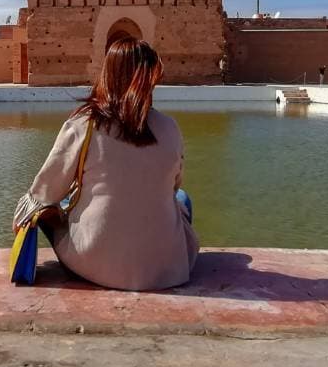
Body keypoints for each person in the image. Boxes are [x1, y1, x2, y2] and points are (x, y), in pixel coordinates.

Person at [13, 38, 198, 291]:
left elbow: (44, 192)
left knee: (53, 209)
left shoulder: (85, 124)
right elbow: (175, 186)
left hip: (94, 266)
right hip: (166, 271)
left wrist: (25, 216)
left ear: (108, 74)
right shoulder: (170, 127)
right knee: (183, 199)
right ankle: (160, 254)